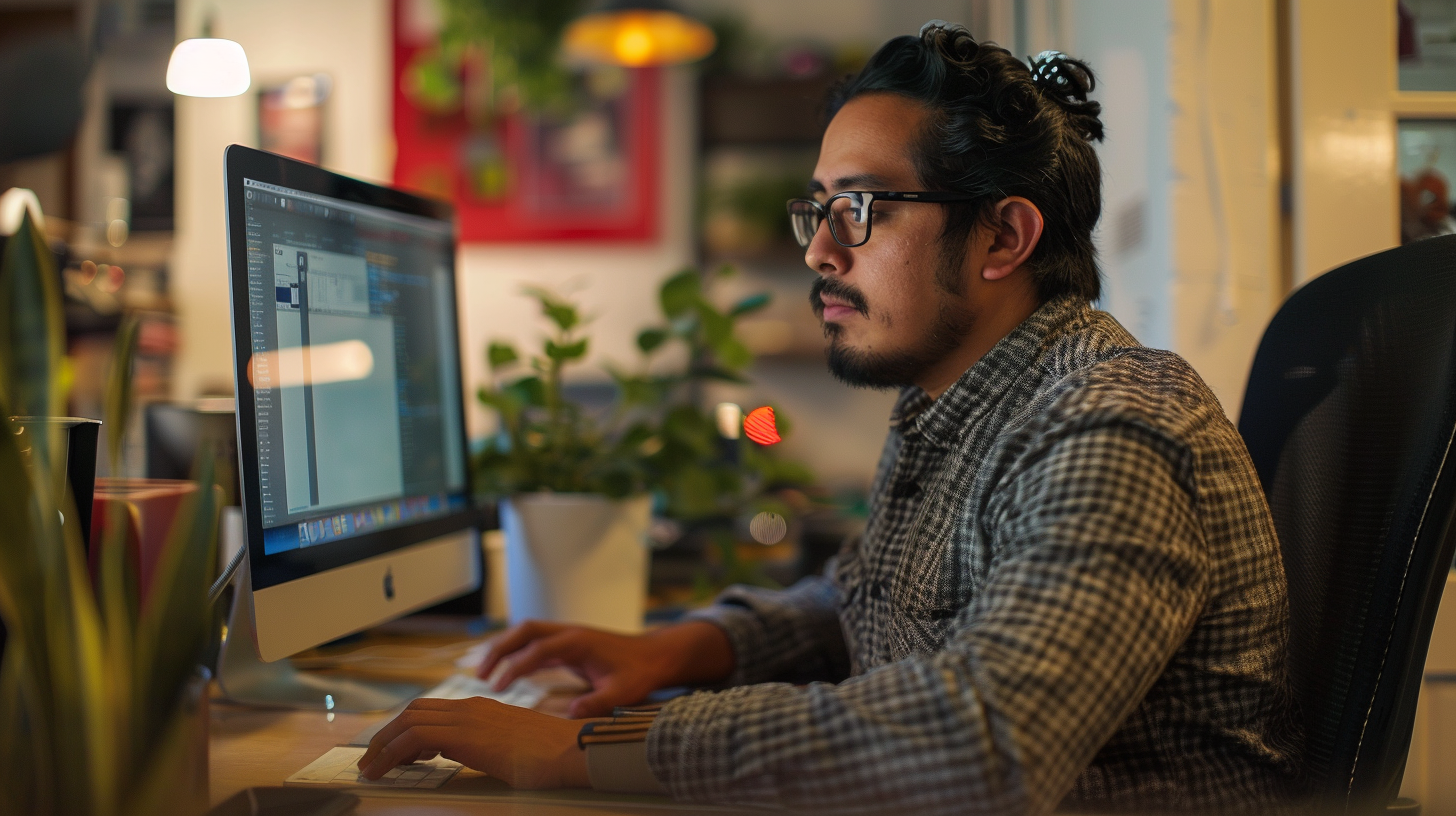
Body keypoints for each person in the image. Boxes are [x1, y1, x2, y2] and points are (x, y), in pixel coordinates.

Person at [358, 21, 1301, 813]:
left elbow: (985, 742)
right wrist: (690, 643)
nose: (818, 253)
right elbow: (866, 597)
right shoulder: (951, 404)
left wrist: (583, 747)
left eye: (858, 209)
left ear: (1004, 237)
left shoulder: (1110, 426)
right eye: (817, 209)